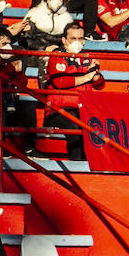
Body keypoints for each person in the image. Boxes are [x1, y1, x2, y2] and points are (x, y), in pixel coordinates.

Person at [43, 23, 103, 160]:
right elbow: (60, 82)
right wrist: (87, 77)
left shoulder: (86, 57)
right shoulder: (57, 56)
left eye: (80, 38)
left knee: (102, 124)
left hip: (83, 108)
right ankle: (77, 166)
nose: (77, 42)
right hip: (58, 110)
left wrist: (96, 75)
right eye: (73, 38)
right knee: (75, 126)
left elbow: (100, 85)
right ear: (64, 40)